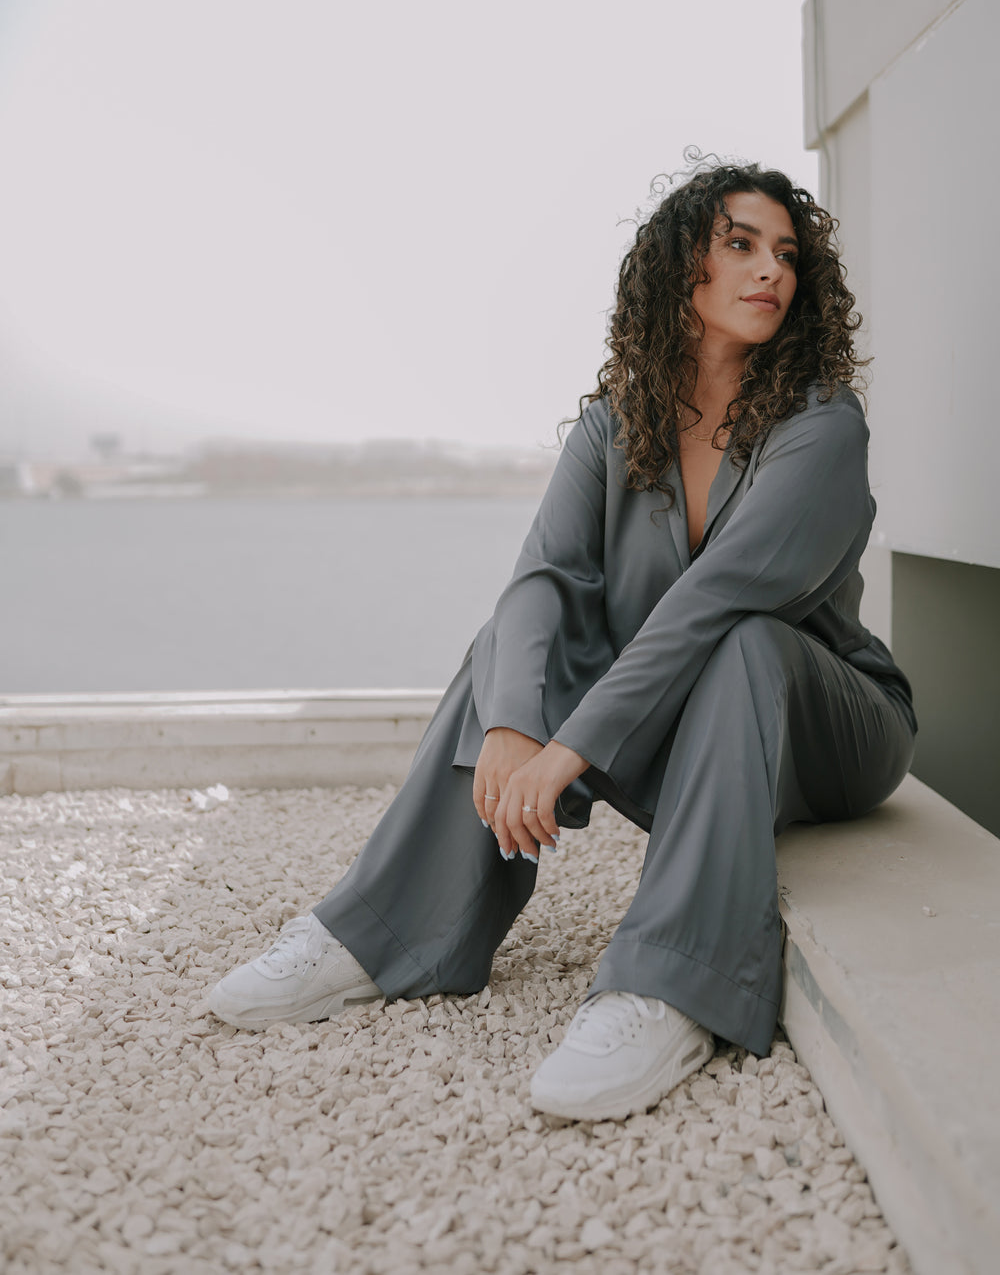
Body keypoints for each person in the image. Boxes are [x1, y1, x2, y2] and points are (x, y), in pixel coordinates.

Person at [207, 158, 916, 1122]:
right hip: (692, 731)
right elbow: (545, 578)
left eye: (786, 254)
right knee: (515, 630)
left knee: (746, 639)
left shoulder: (824, 427)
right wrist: (509, 729)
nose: (770, 273)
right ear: (681, 272)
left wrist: (568, 751)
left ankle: (671, 986)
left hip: (825, 728)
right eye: (740, 246)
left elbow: (713, 603)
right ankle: (380, 935)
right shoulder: (615, 424)